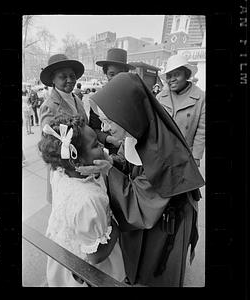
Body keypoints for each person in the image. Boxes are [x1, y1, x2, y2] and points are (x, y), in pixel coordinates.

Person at [77, 72, 205, 287]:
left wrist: (109, 172)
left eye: (108, 121)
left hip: (165, 224)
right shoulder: (139, 130)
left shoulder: (164, 153)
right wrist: (112, 162)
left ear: (128, 114)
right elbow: (133, 164)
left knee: (156, 274)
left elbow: (140, 203)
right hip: (157, 215)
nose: (105, 129)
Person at [38, 113, 125, 287]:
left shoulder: (60, 172)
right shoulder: (89, 200)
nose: (102, 147)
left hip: (63, 256)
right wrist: (116, 226)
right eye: (95, 145)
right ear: (74, 159)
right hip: (90, 269)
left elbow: (100, 155)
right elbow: (96, 255)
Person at [39, 53, 88, 204]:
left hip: (83, 165)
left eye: (72, 76)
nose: (70, 80)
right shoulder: (49, 106)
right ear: (53, 80)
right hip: (66, 171)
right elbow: (50, 147)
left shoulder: (77, 99)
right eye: (63, 76)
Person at [156, 54, 205, 167]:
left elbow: (202, 130)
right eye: (169, 75)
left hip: (186, 156)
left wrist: (196, 156)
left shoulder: (200, 97)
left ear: (186, 74)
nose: (172, 79)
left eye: (177, 74)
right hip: (163, 154)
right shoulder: (160, 97)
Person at [89, 48, 136, 156]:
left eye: (120, 74)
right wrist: (109, 139)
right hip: (107, 151)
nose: (116, 78)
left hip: (132, 152)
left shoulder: (134, 98)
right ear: (106, 74)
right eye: (111, 74)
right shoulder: (97, 100)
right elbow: (94, 129)